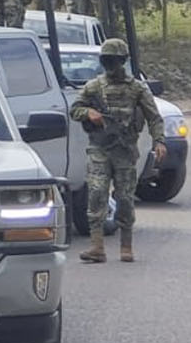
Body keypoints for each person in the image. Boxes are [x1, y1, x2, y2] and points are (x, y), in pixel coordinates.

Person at [69, 38, 168, 263]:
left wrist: (159, 141)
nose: (111, 65)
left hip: (124, 150)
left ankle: (126, 245)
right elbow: (75, 109)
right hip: (99, 149)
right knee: (96, 195)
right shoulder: (94, 86)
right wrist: (89, 114)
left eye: (114, 60)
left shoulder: (137, 88)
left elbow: (154, 117)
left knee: (124, 197)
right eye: (107, 60)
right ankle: (97, 247)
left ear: (123, 61)